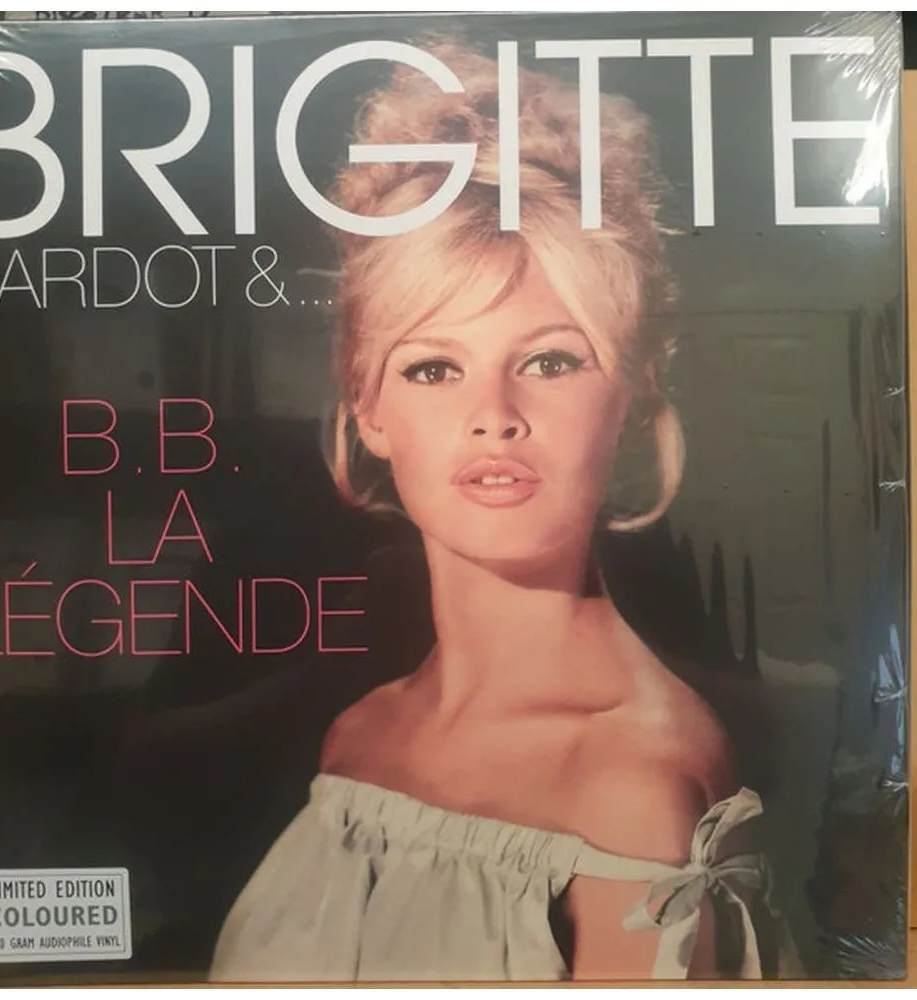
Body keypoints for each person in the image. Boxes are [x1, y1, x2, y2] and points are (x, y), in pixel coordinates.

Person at [209, 40, 798, 983]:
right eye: (434, 367)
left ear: (634, 393)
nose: (493, 415)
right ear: (368, 406)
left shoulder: (633, 788)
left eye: (551, 360)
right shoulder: (359, 735)